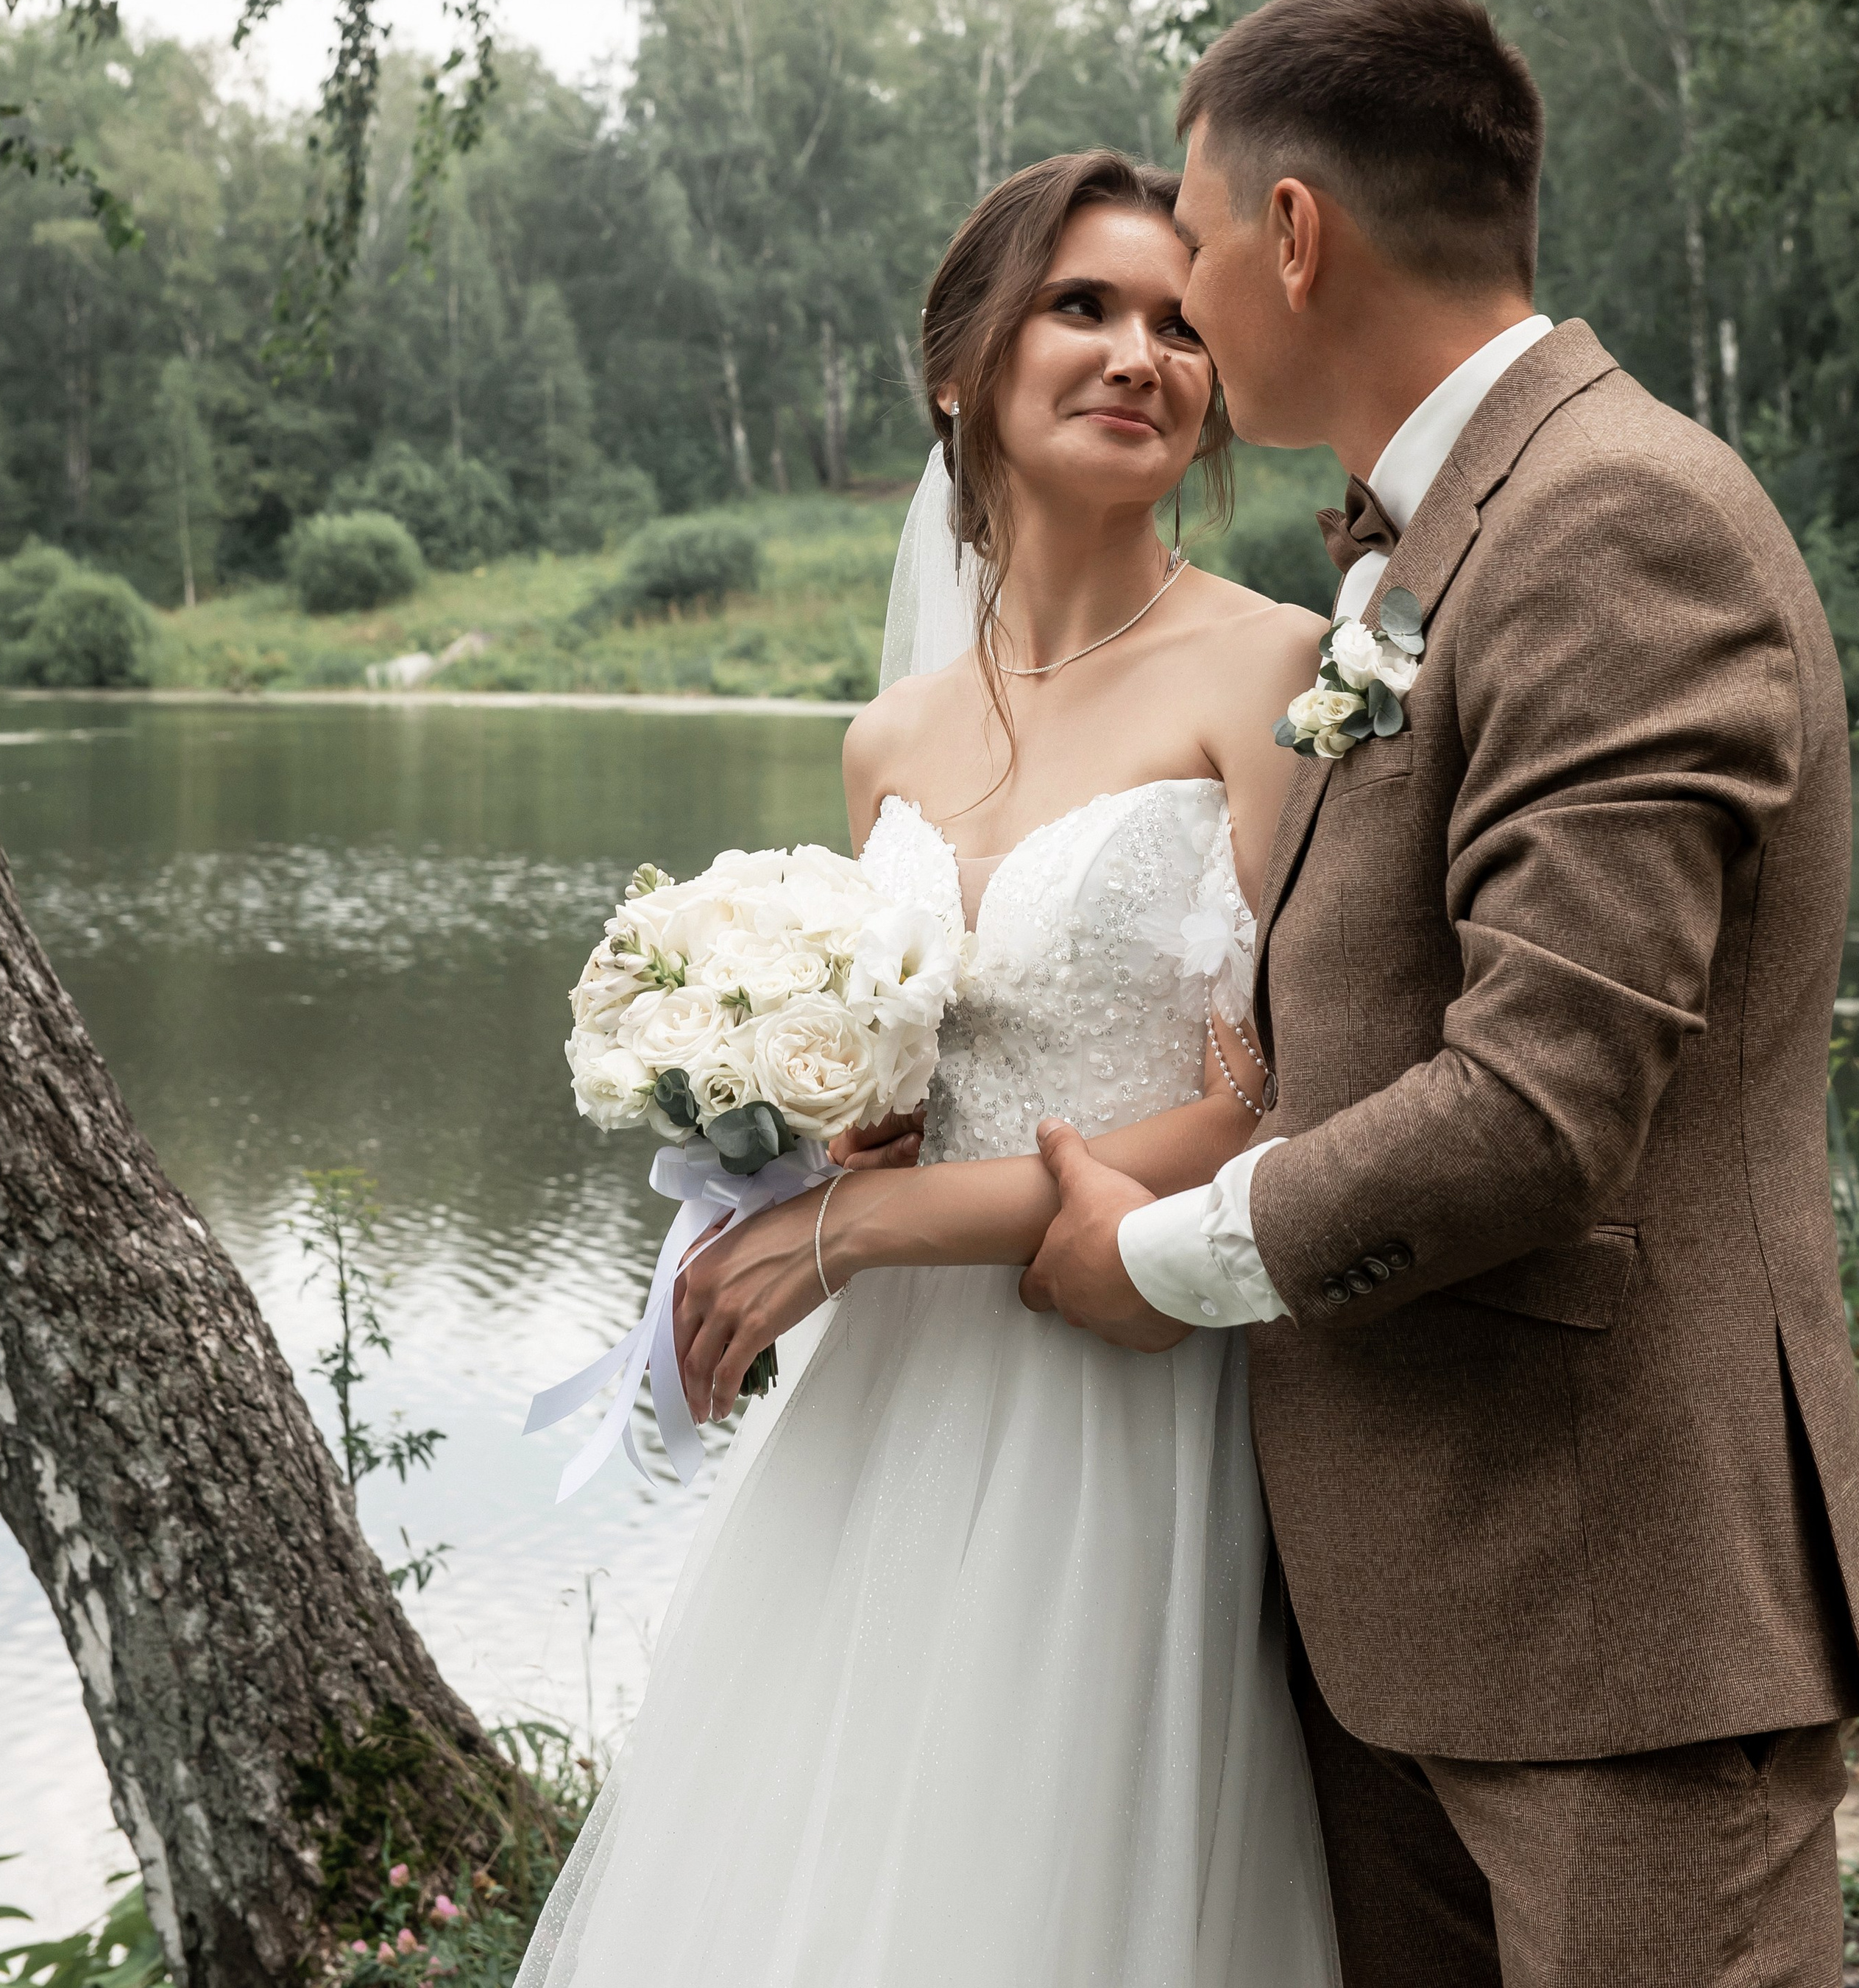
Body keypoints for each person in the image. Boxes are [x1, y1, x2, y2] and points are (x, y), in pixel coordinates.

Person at [1020, 0, 1859, 1987]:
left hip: (1617, 1613)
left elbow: (1542, 1097)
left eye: (1201, 243)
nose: (1188, 309)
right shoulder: (1418, 547)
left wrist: (1158, 1261)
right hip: (1408, 1600)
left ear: (1293, 233)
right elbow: (1369, 996)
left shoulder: (1619, 520)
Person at [515, 149, 1341, 1988]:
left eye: (1177, 321)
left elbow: (1274, 1100)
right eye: (1083, 307)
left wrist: (872, 1227)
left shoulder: (1270, 669)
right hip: (887, 1408)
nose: (1142, 352)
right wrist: (777, 1171)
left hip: (1125, 1388)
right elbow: (890, 1093)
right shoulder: (884, 738)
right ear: (958, 363)